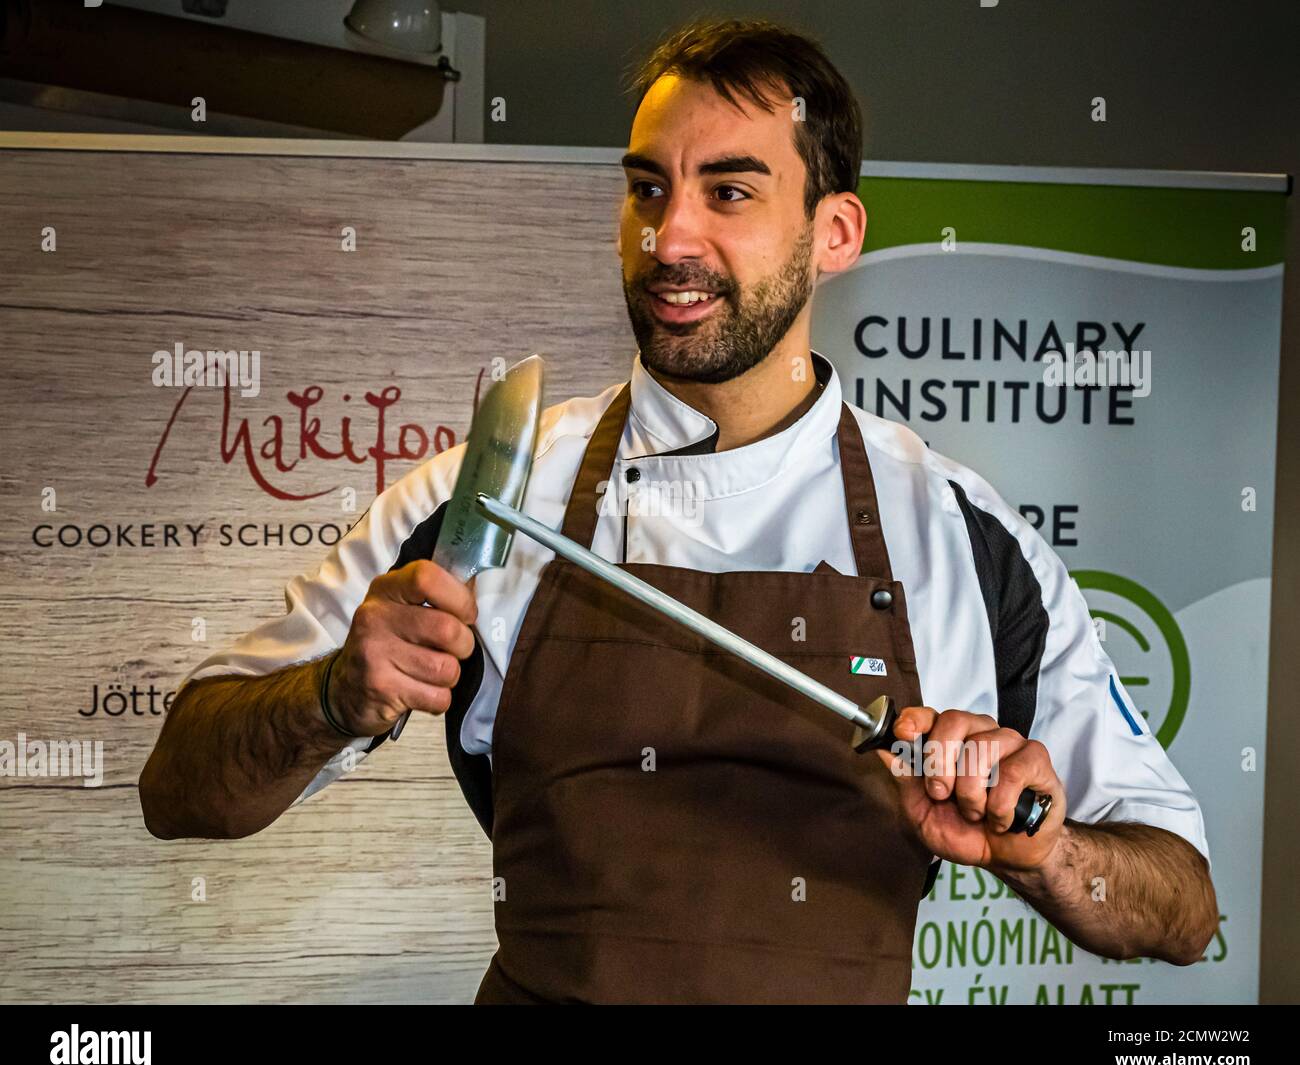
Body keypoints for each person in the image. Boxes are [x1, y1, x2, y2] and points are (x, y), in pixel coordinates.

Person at [140, 17, 1217, 1004]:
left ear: (834, 231)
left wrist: (1047, 850)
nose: (669, 239)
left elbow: (1181, 906)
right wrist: (332, 695)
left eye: (730, 192)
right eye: (647, 189)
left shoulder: (960, 534)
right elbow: (180, 786)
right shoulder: (491, 491)